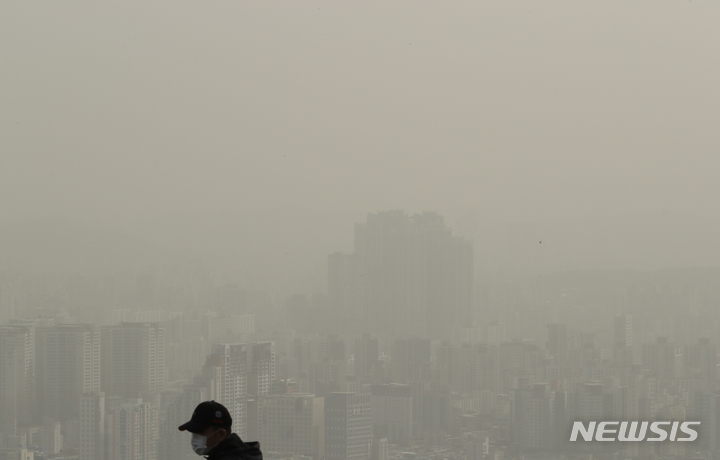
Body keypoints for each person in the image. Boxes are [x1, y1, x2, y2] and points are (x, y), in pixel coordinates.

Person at [179, 400, 263, 460]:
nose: (195, 438)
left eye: (201, 432)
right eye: (194, 433)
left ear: (221, 435)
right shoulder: (243, 454)